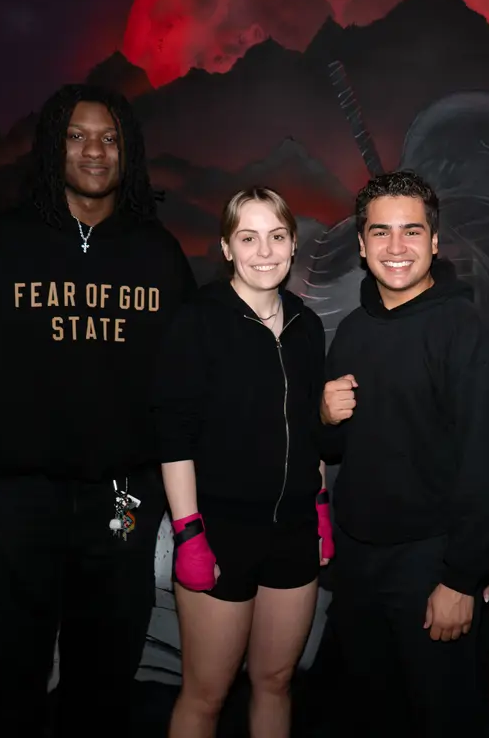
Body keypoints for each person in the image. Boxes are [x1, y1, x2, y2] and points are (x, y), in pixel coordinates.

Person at [0, 83, 198, 736]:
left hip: (119, 508)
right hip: (16, 505)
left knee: (102, 692)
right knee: (7, 688)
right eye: (76, 135)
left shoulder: (157, 255)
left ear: (128, 150)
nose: (94, 150)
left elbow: (187, 384)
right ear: (51, 148)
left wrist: (157, 489)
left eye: (109, 137)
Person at [318, 169, 489, 736]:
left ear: (434, 241)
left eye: (411, 232)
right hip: (357, 565)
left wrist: (460, 579)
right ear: (361, 245)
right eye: (380, 233)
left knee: (443, 717)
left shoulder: (468, 332)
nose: (396, 248)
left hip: (432, 566)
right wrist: (324, 418)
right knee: (367, 716)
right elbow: (337, 448)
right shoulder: (352, 330)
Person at [151, 187, 332, 738]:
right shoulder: (198, 321)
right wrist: (188, 534)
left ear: (293, 244)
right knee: (206, 694)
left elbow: (307, 427)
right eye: (248, 238)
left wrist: (320, 508)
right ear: (227, 248)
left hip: (294, 532)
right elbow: (174, 438)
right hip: (221, 533)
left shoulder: (307, 325)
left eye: (276, 236)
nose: (264, 251)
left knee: (275, 680)